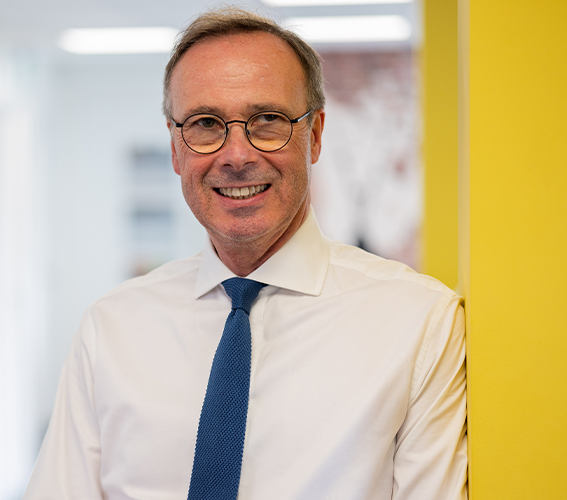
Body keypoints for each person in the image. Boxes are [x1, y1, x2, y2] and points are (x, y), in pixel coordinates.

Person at [24, 7, 467, 500]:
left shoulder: (417, 323)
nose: (237, 156)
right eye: (206, 123)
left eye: (268, 120)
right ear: (175, 148)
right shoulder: (110, 330)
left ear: (315, 135)